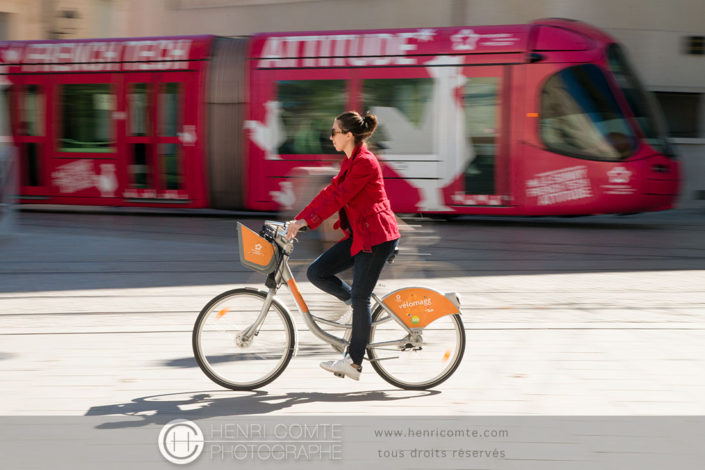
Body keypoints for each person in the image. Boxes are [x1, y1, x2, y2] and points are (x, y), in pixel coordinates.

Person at [286, 110, 400, 381]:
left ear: (349, 135)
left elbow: (338, 198)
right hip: (361, 235)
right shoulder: (351, 161)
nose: (331, 136)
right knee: (317, 272)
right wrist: (299, 219)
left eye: (335, 131)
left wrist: (304, 222)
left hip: (376, 238)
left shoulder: (365, 163)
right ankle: (359, 314)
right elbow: (329, 193)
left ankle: (355, 362)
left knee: (361, 298)